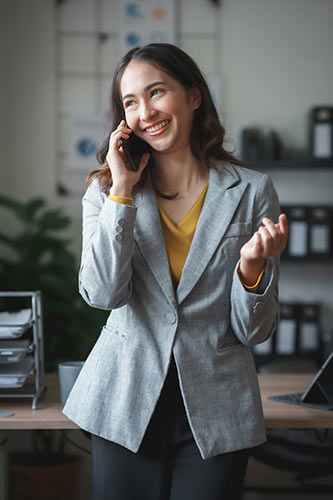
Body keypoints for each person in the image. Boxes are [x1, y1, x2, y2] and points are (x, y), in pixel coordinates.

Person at [63, 43, 288, 500]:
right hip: (123, 401)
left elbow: (255, 330)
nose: (146, 112)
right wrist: (122, 193)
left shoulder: (252, 192)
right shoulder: (104, 192)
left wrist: (251, 268)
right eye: (131, 102)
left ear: (194, 95)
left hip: (218, 406)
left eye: (157, 92)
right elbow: (103, 294)